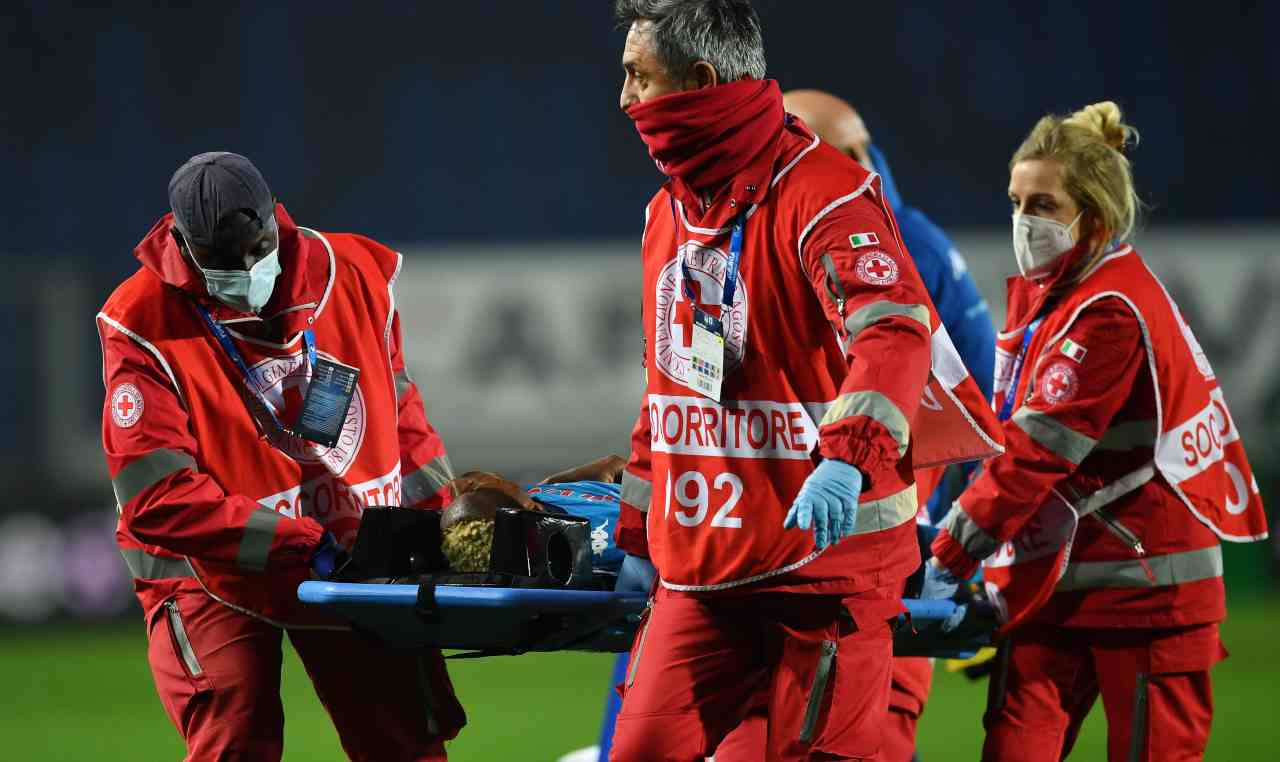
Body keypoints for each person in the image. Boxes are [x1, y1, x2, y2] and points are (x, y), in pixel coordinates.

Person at [602, 2, 1004, 760]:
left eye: (637, 77)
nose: (624, 101)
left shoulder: (826, 193)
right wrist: (637, 535)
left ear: (699, 81)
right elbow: (671, 390)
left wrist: (846, 461)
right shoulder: (668, 212)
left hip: (827, 570)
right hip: (707, 567)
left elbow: (893, 332)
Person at [923, 102, 1269, 761]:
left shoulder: (1108, 309)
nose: (1024, 221)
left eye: (1044, 205)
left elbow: (1035, 452)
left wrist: (951, 551)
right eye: (1016, 200)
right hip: (1059, 584)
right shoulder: (1057, 299)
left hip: (1148, 591)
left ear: (1097, 217)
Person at [97, 152, 465, 761]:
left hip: (346, 547)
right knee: (235, 738)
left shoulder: (353, 274)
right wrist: (300, 544)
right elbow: (155, 499)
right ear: (186, 246)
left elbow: (401, 417)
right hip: (209, 570)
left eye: (257, 245)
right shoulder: (140, 323)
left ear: (276, 219)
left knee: (404, 740)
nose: (248, 268)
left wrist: (443, 517)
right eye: (224, 258)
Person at [710, 89, 1001, 762]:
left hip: (856, 559)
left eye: (864, 151)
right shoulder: (890, 238)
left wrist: (970, 553)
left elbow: (987, 422)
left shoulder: (881, 250)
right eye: (849, 153)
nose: (864, 166)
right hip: (794, 555)